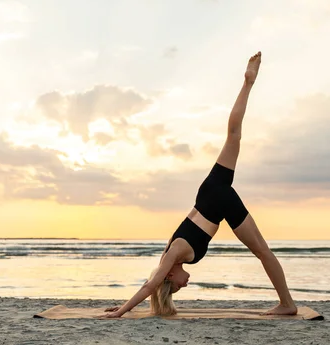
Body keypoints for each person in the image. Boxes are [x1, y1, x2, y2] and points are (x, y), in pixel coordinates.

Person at [100, 52, 297, 318]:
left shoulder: (171, 259)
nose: (185, 285)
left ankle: (287, 303)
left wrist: (121, 312)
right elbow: (152, 285)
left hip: (217, 201)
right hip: (208, 189)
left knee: (262, 251)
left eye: (178, 286)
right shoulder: (168, 254)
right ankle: (248, 83)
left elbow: (151, 285)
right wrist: (127, 304)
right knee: (234, 135)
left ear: (169, 275)